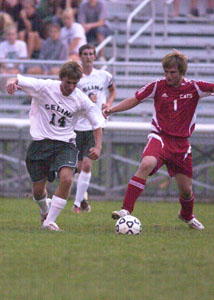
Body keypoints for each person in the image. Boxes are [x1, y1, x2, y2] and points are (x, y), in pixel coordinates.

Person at [102, 50, 214, 230]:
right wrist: (112, 110)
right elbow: (135, 99)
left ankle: (186, 216)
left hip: (182, 144)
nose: (168, 76)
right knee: (146, 163)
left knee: (186, 190)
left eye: (173, 72)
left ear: (182, 72)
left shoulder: (195, 88)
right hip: (160, 137)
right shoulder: (157, 86)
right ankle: (126, 210)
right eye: (166, 72)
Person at [6, 60, 103, 231]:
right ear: (61, 79)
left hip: (65, 144)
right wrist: (12, 82)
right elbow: (17, 80)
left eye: (74, 83)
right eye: (68, 82)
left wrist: (98, 146)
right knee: (37, 192)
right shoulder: (45, 87)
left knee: (66, 178)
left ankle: (49, 221)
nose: (71, 87)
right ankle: (45, 210)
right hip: (40, 144)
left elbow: (97, 124)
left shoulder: (81, 99)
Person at [72, 43, 116, 213]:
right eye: (85, 53)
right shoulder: (76, 77)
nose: (88, 56)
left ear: (95, 56)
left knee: (88, 164)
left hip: (95, 124)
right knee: (77, 166)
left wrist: (108, 105)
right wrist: (85, 99)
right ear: (80, 56)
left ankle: (76, 205)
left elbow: (112, 91)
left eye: (91, 53)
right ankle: (82, 199)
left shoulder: (104, 75)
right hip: (77, 125)